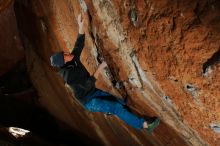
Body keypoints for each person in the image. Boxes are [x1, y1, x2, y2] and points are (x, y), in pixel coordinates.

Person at [50, 14, 160, 133]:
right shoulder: (69, 76)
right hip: (89, 101)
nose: (67, 53)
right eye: (65, 56)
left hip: (92, 92)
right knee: (116, 108)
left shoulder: (71, 59)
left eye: (65, 53)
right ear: (63, 63)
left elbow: (79, 44)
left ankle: (113, 110)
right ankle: (144, 125)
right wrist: (100, 68)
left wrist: (80, 26)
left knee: (119, 101)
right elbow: (88, 84)